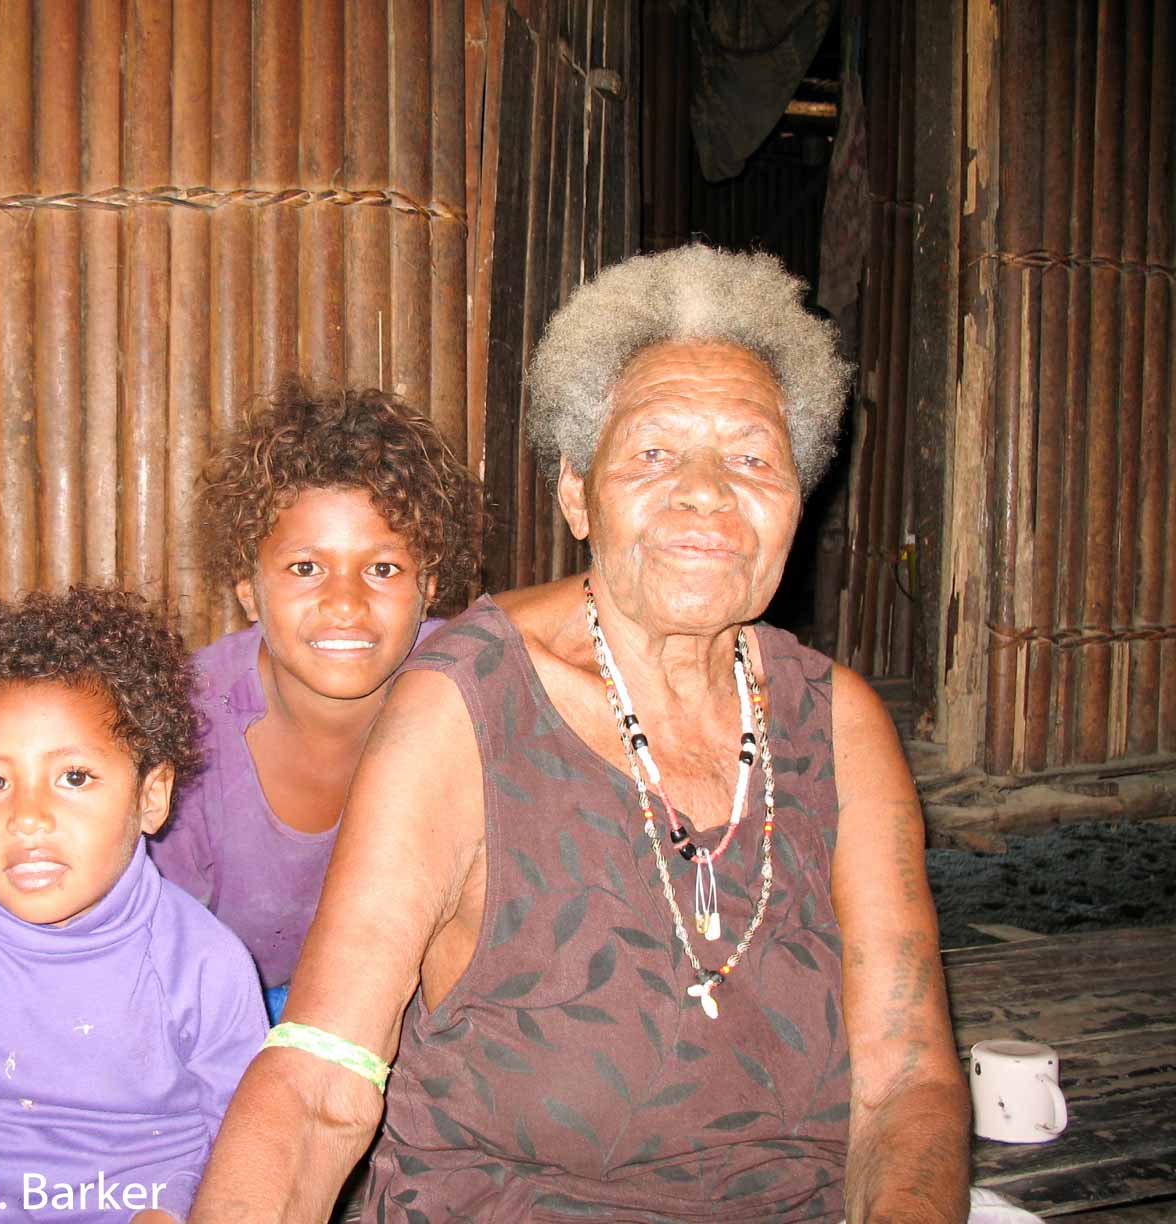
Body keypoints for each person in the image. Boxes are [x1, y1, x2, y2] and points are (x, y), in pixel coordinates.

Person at [189, 245, 978, 1222]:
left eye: (751, 457)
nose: (706, 491)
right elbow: (320, 1079)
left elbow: (907, 1084)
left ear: (796, 504)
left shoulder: (841, 724)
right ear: (577, 491)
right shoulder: (466, 706)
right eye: (653, 453)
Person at [0, 587, 266, 1223]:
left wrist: (175, 1208)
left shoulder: (203, 963)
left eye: (73, 777)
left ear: (150, 798)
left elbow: (249, 1142)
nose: (28, 817)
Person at [149, 383, 482, 1020]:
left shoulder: (469, 689)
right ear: (248, 591)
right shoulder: (187, 726)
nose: (346, 604)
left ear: (428, 589)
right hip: (226, 1012)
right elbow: (158, 967)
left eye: (383, 569)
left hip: (406, 1004)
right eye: (305, 568)